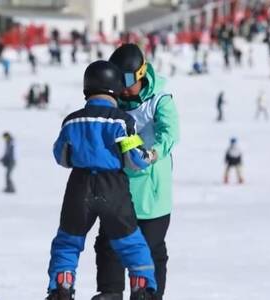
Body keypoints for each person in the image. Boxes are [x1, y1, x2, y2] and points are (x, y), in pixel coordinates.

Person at [47, 60, 158, 300]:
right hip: (114, 187)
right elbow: (134, 158)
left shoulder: (71, 121)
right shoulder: (121, 121)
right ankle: (141, 286)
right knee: (131, 242)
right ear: (116, 89)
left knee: (68, 241)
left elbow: (61, 156)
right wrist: (148, 156)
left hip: (79, 186)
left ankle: (62, 286)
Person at [93, 44, 179, 300]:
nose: (124, 86)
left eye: (128, 79)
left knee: (149, 249)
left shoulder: (159, 101)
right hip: (119, 187)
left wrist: (153, 153)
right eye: (118, 80)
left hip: (151, 192)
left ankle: (148, 295)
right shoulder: (113, 103)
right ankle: (110, 292)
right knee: (108, 243)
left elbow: (170, 133)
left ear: (141, 73)